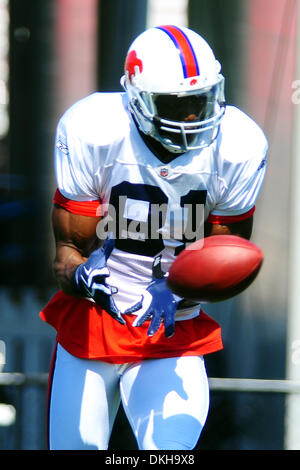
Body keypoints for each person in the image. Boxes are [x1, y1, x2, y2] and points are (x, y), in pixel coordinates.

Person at [40, 25, 267, 450]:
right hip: (95, 322)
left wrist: (176, 290)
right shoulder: (94, 129)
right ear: (137, 99)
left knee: (171, 455)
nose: (193, 118)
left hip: (170, 330)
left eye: (200, 102)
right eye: (176, 105)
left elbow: (227, 257)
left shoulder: (239, 144)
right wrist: (85, 277)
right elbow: (66, 255)